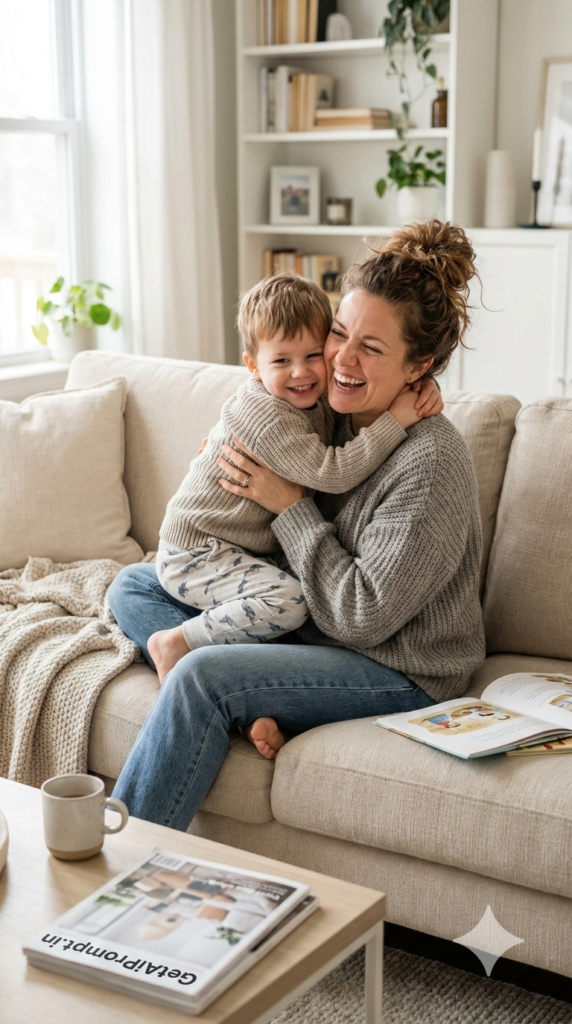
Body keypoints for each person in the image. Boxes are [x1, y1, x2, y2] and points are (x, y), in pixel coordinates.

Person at [108, 219, 486, 830]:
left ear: (420, 368)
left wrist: (288, 506)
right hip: (315, 631)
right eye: (340, 333)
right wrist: (223, 451)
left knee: (202, 676)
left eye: (373, 348)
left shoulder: (431, 462)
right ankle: (252, 704)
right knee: (134, 583)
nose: (339, 359)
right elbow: (267, 392)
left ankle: (116, 866)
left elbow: (361, 616)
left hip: (398, 666)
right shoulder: (335, 414)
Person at [150, 273, 442, 682]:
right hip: (200, 550)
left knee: (282, 601)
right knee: (286, 601)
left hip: (232, 550)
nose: (302, 372)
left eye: (312, 355)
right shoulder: (270, 414)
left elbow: (374, 382)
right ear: (253, 366)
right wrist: (396, 420)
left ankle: (213, 671)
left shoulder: (319, 395)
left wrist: (421, 381)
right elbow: (334, 472)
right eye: (282, 361)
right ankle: (179, 645)